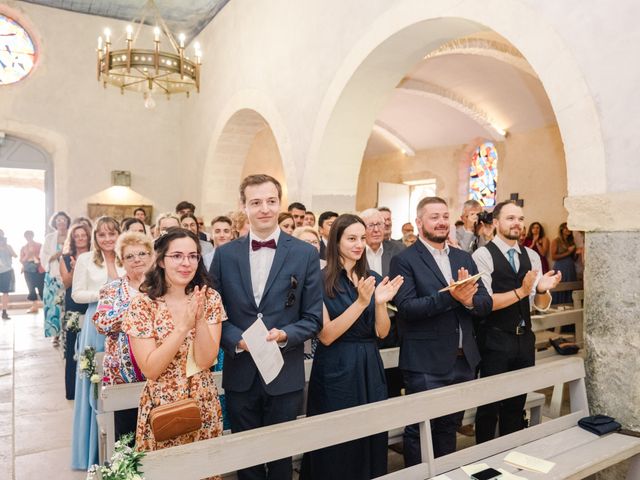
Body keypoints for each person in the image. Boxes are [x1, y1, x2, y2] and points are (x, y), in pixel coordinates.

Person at [210, 174, 322, 480]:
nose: (264, 209)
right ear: (243, 206)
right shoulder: (224, 255)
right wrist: (236, 339)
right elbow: (214, 314)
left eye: (271, 201)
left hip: (284, 372)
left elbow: (313, 318)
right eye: (255, 202)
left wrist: (286, 334)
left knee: (282, 455)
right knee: (246, 456)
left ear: (279, 203)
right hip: (241, 371)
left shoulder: (305, 253)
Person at [390, 196, 493, 463]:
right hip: (425, 360)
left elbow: (484, 303)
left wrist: (469, 300)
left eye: (445, 216)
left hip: (462, 359)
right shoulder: (405, 260)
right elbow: (408, 308)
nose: (441, 222)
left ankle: (445, 472)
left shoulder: (463, 257)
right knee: (419, 428)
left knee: (450, 425)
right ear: (419, 221)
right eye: (434, 217)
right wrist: (452, 296)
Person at [300, 214, 403, 480]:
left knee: (371, 433)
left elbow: (381, 332)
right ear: (336, 241)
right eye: (351, 238)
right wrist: (360, 302)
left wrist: (379, 303)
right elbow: (326, 335)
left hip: (369, 364)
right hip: (336, 366)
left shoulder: (372, 276)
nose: (359, 244)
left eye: (362, 238)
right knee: (338, 441)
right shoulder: (319, 281)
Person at [124, 228, 225, 469]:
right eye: (177, 256)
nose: (186, 263)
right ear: (160, 260)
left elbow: (206, 359)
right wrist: (182, 328)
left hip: (203, 400)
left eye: (193, 256)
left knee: (203, 471)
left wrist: (199, 319)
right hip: (162, 406)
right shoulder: (142, 305)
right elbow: (151, 369)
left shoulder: (209, 298)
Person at [472, 201, 562, 444]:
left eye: (520, 219)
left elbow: (540, 304)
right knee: (489, 406)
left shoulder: (531, 255)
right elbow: (486, 302)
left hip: (524, 338)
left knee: (515, 404)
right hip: (495, 338)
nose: (517, 224)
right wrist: (522, 291)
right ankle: (484, 459)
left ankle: (510, 455)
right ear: (496, 223)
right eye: (510, 218)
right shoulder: (483, 255)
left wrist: (542, 289)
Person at [71, 217, 124, 470]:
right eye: (101, 235)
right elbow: (76, 294)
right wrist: (104, 291)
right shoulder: (86, 260)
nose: (107, 239)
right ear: (96, 237)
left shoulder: (126, 256)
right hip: (96, 323)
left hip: (124, 324)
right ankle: (91, 452)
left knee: (120, 381)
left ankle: (121, 448)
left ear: (119, 234)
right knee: (95, 382)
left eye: (111, 233)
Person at [93, 231, 153, 441]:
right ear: (121, 261)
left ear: (152, 256)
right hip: (122, 376)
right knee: (127, 437)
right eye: (130, 256)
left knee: (159, 432)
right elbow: (101, 322)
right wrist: (136, 307)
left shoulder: (162, 287)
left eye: (142, 254)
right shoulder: (112, 289)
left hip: (158, 375)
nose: (137, 259)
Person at [360, 208, 405, 398]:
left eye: (381, 224)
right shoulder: (356, 251)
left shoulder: (398, 250)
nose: (377, 229)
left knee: (392, 376)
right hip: (363, 321)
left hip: (394, 322)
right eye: (371, 225)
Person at [59, 223, 92, 400]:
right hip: (73, 306)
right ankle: (72, 390)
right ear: (72, 239)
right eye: (76, 236)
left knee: (90, 347)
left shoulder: (96, 257)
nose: (80, 238)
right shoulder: (65, 258)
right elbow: (66, 283)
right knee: (72, 347)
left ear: (88, 237)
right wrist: (74, 268)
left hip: (91, 304)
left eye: (83, 235)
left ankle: (89, 388)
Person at [40, 211, 71, 342]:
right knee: (53, 306)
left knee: (67, 305)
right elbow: (44, 256)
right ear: (54, 223)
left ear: (67, 221)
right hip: (52, 276)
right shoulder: (49, 238)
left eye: (63, 220)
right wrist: (57, 254)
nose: (61, 222)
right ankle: (55, 333)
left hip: (69, 275)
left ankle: (68, 331)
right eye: (58, 220)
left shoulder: (72, 235)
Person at [550, 222, 577, 304]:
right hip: (561, 267)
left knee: (570, 287)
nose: (568, 230)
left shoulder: (571, 241)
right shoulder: (556, 241)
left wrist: (576, 253)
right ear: (562, 230)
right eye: (566, 228)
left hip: (570, 267)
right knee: (561, 286)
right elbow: (553, 257)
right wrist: (568, 252)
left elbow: (574, 258)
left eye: (569, 228)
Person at [20, 230, 45, 314]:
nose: (28, 238)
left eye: (30, 235)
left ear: (32, 236)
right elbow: (21, 260)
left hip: (39, 268)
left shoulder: (39, 245)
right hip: (28, 269)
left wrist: (34, 254)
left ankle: (46, 306)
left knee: (41, 288)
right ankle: (35, 307)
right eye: (27, 236)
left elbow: (44, 256)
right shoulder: (24, 247)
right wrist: (28, 254)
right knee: (31, 288)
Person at [0, 230, 17, 320]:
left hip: (7, 271)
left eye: (1, 235)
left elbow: (15, 255)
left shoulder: (8, 246)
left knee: (5, 293)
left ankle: (4, 312)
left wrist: (6, 247)